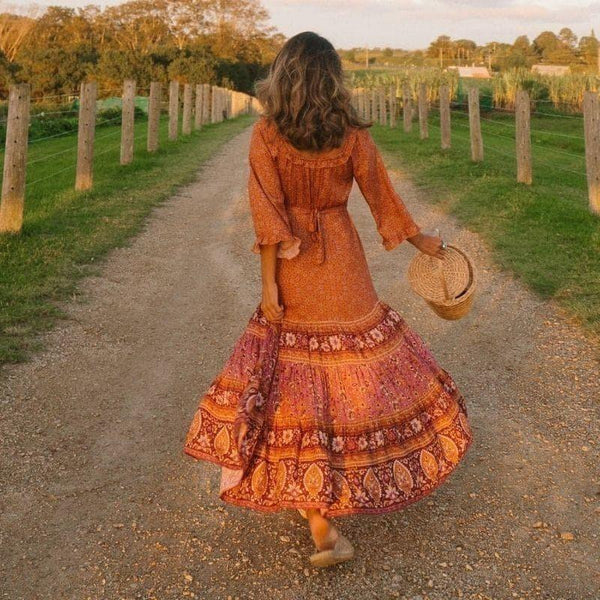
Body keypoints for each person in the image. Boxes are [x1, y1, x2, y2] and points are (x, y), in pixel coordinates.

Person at [183, 31, 473, 568]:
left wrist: (268, 286)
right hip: (342, 260)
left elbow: (266, 217)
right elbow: (382, 195)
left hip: (293, 270)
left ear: (284, 76)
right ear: (331, 79)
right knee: (352, 372)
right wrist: (421, 240)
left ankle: (320, 521)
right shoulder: (352, 136)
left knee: (291, 382)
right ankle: (339, 496)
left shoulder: (265, 136)